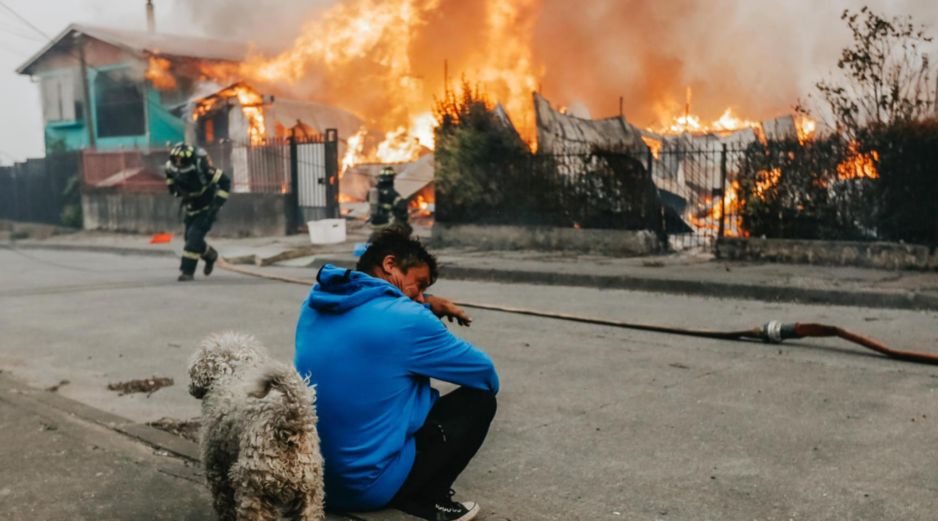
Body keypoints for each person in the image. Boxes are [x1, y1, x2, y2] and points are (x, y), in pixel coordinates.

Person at [294, 226, 498, 521]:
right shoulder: (409, 320)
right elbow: (486, 375)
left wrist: (426, 303)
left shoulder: (313, 304)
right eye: (419, 284)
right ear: (390, 264)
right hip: (365, 489)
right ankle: (425, 499)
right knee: (479, 401)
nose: (419, 297)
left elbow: (373, 319)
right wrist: (425, 317)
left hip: (313, 481)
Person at [164, 143, 230, 282]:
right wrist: (173, 189)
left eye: (182, 160)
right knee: (190, 239)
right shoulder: (170, 167)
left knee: (193, 239)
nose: (178, 163)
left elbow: (225, 182)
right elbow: (169, 177)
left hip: (207, 208)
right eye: (176, 160)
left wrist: (217, 204)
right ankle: (210, 255)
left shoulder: (202, 168)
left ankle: (187, 272)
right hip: (191, 208)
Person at [369, 166, 410, 237]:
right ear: (392, 178)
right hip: (387, 223)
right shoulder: (393, 194)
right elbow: (402, 208)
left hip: (374, 223)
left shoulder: (374, 191)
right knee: (407, 229)